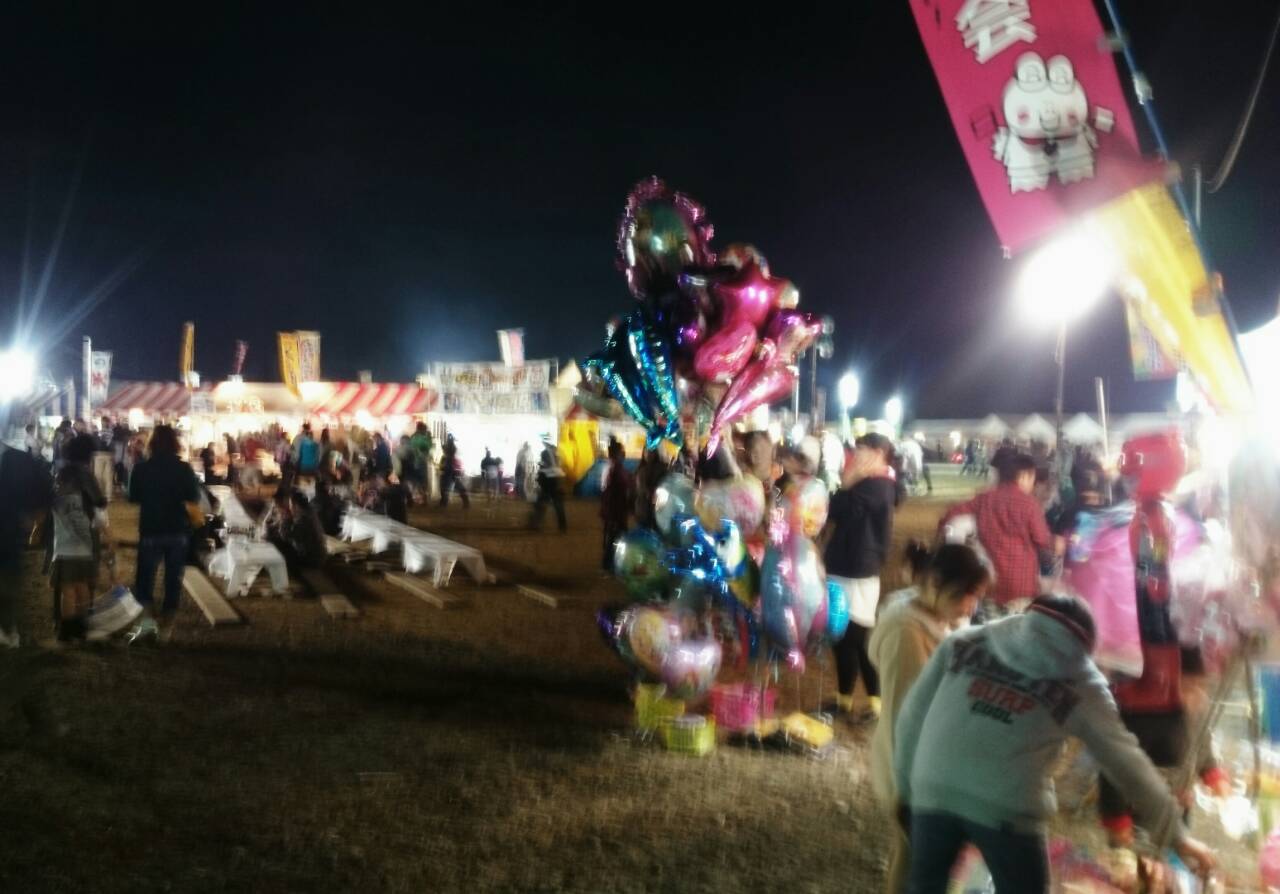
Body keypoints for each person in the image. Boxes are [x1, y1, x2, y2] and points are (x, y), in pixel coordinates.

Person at [894, 595, 1215, 893]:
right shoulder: (1083, 684)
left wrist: (906, 789)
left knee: (924, 887)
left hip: (933, 787)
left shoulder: (963, 641)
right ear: (1085, 646)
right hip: (1005, 807)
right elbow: (1127, 763)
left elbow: (911, 716)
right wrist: (1177, 836)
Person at [869, 543, 990, 894]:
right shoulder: (906, 633)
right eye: (967, 594)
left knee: (914, 858)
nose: (972, 606)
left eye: (977, 596)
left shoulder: (934, 618)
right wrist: (906, 790)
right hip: (912, 771)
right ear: (936, 583)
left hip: (931, 767)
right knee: (916, 861)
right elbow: (903, 717)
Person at [823, 432, 898, 721]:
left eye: (862, 449)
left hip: (858, 570)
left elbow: (836, 509)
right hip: (848, 566)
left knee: (857, 638)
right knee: (843, 638)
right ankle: (844, 699)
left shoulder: (878, 484)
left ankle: (875, 701)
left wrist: (848, 481)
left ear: (878, 453)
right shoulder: (873, 483)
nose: (855, 454)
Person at [940, 451, 1051, 618]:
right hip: (1021, 586)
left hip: (990, 584)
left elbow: (952, 515)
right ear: (1023, 476)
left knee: (991, 628)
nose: (1033, 484)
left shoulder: (984, 499)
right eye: (1032, 478)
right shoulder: (1030, 505)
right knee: (1017, 628)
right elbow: (1042, 540)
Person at [127, 425, 200, 642]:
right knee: (173, 579)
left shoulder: (141, 469)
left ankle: (147, 621)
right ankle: (167, 628)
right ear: (175, 443)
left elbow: (133, 497)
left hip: (151, 528)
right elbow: (193, 497)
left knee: (144, 578)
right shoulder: (184, 469)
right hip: (177, 529)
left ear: (152, 444)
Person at [48, 433, 111, 642]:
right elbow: (100, 502)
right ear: (88, 454)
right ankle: (82, 625)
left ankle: (65, 627)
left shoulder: (60, 474)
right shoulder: (85, 474)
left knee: (66, 586)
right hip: (85, 535)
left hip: (62, 536)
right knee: (83, 583)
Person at [0, 433, 52, 647]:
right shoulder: (19, 459)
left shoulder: (17, 460)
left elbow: (42, 493)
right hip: (9, 531)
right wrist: (34, 519)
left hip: (8, 531)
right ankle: (8, 630)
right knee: (8, 580)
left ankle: (8, 629)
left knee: (7, 580)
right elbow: (44, 493)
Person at [262, 489, 327, 570]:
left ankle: (284, 571)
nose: (290, 507)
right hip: (316, 556)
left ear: (295, 505)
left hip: (311, 560)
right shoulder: (307, 513)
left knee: (273, 542)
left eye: (290, 504)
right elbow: (286, 529)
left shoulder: (304, 519)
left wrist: (285, 517)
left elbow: (285, 535)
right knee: (273, 539)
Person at [600, 440, 632, 571]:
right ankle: (608, 565)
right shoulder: (614, 469)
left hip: (615, 508)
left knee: (615, 536)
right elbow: (611, 490)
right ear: (616, 454)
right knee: (615, 537)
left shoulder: (612, 468)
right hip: (615, 508)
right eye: (621, 452)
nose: (623, 454)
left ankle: (611, 564)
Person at [529, 436, 567, 532]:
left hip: (548, 480)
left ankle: (536, 523)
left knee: (541, 503)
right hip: (557, 478)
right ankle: (562, 526)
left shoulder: (545, 453)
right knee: (558, 504)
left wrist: (540, 468)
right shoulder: (556, 454)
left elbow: (544, 466)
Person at [633, 448, 663, 530]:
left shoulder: (661, 470)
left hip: (656, 510)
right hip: (642, 509)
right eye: (646, 451)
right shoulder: (640, 470)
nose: (648, 454)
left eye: (651, 451)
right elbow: (637, 490)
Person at [438, 434, 470, 508]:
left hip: (450, 468)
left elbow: (446, 450)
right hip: (452, 468)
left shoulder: (451, 448)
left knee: (446, 486)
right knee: (451, 486)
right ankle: (444, 502)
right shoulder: (452, 448)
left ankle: (444, 502)